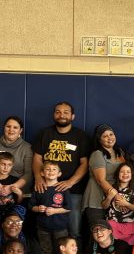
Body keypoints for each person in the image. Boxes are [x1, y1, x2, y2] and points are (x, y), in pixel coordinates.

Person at [32, 102, 92, 238]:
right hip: (46, 188)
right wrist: (38, 177)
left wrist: (70, 182)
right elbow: (37, 159)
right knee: (46, 229)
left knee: (74, 230)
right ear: (54, 115)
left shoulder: (80, 136)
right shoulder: (44, 134)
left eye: (66, 112)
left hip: (73, 191)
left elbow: (85, 163)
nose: (62, 115)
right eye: (58, 112)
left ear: (73, 116)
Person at [81, 124, 126, 228]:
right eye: (105, 136)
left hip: (113, 199)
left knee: (111, 235)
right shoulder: (97, 154)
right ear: (99, 140)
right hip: (96, 199)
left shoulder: (120, 152)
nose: (109, 138)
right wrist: (118, 198)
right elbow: (101, 180)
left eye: (111, 134)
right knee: (98, 233)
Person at [0, 115, 33, 196]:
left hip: (18, 194)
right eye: (8, 126)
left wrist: (12, 187)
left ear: (20, 130)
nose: (11, 130)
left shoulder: (27, 147)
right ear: (4, 128)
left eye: (15, 127)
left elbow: (28, 173)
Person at [30, 161, 71, 254]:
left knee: (62, 251)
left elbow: (69, 208)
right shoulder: (39, 188)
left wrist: (54, 211)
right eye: (48, 169)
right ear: (42, 173)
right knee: (46, 251)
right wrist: (38, 208)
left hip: (60, 227)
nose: (51, 171)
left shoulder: (63, 189)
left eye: (54, 169)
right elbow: (31, 206)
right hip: (43, 228)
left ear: (59, 173)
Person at [103, 162, 134, 245]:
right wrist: (109, 197)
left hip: (129, 225)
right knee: (114, 246)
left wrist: (126, 203)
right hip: (112, 223)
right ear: (117, 174)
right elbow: (104, 206)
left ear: (132, 174)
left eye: (128, 172)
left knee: (128, 249)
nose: (125, 174)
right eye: (122, 171)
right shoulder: (111, 188)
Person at [0, 151, 24, 224]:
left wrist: (20, 194)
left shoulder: (15, 180)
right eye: (3, 164)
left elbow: (19, 202)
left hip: (11, 214)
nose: (6, 168)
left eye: (9, 165)